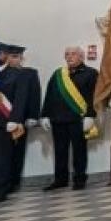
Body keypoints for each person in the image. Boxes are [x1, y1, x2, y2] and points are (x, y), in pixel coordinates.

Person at [40, 45, 98, 191]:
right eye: (67, 54)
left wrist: (90, 115)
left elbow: (95, 97)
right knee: (59, 151)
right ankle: (60, 179)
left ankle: (79, 179)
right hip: (58, 119)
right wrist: (45, 115)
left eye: (73, 54)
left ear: (81, 56)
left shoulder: (91, 73)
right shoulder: (58, 74)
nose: (69, 57)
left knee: (79, 151)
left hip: (78, 119)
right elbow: (49, 95)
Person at [0, 43, 41, 193]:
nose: (13, 59)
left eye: (16, 56)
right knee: (1, 154)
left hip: (20, 119)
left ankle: (13, 181)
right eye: (10, 56)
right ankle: (2, 181)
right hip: (1, 119)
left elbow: (34, 96)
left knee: (17, 152)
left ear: (22, 58)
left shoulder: (29, 73)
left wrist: (33, 116)